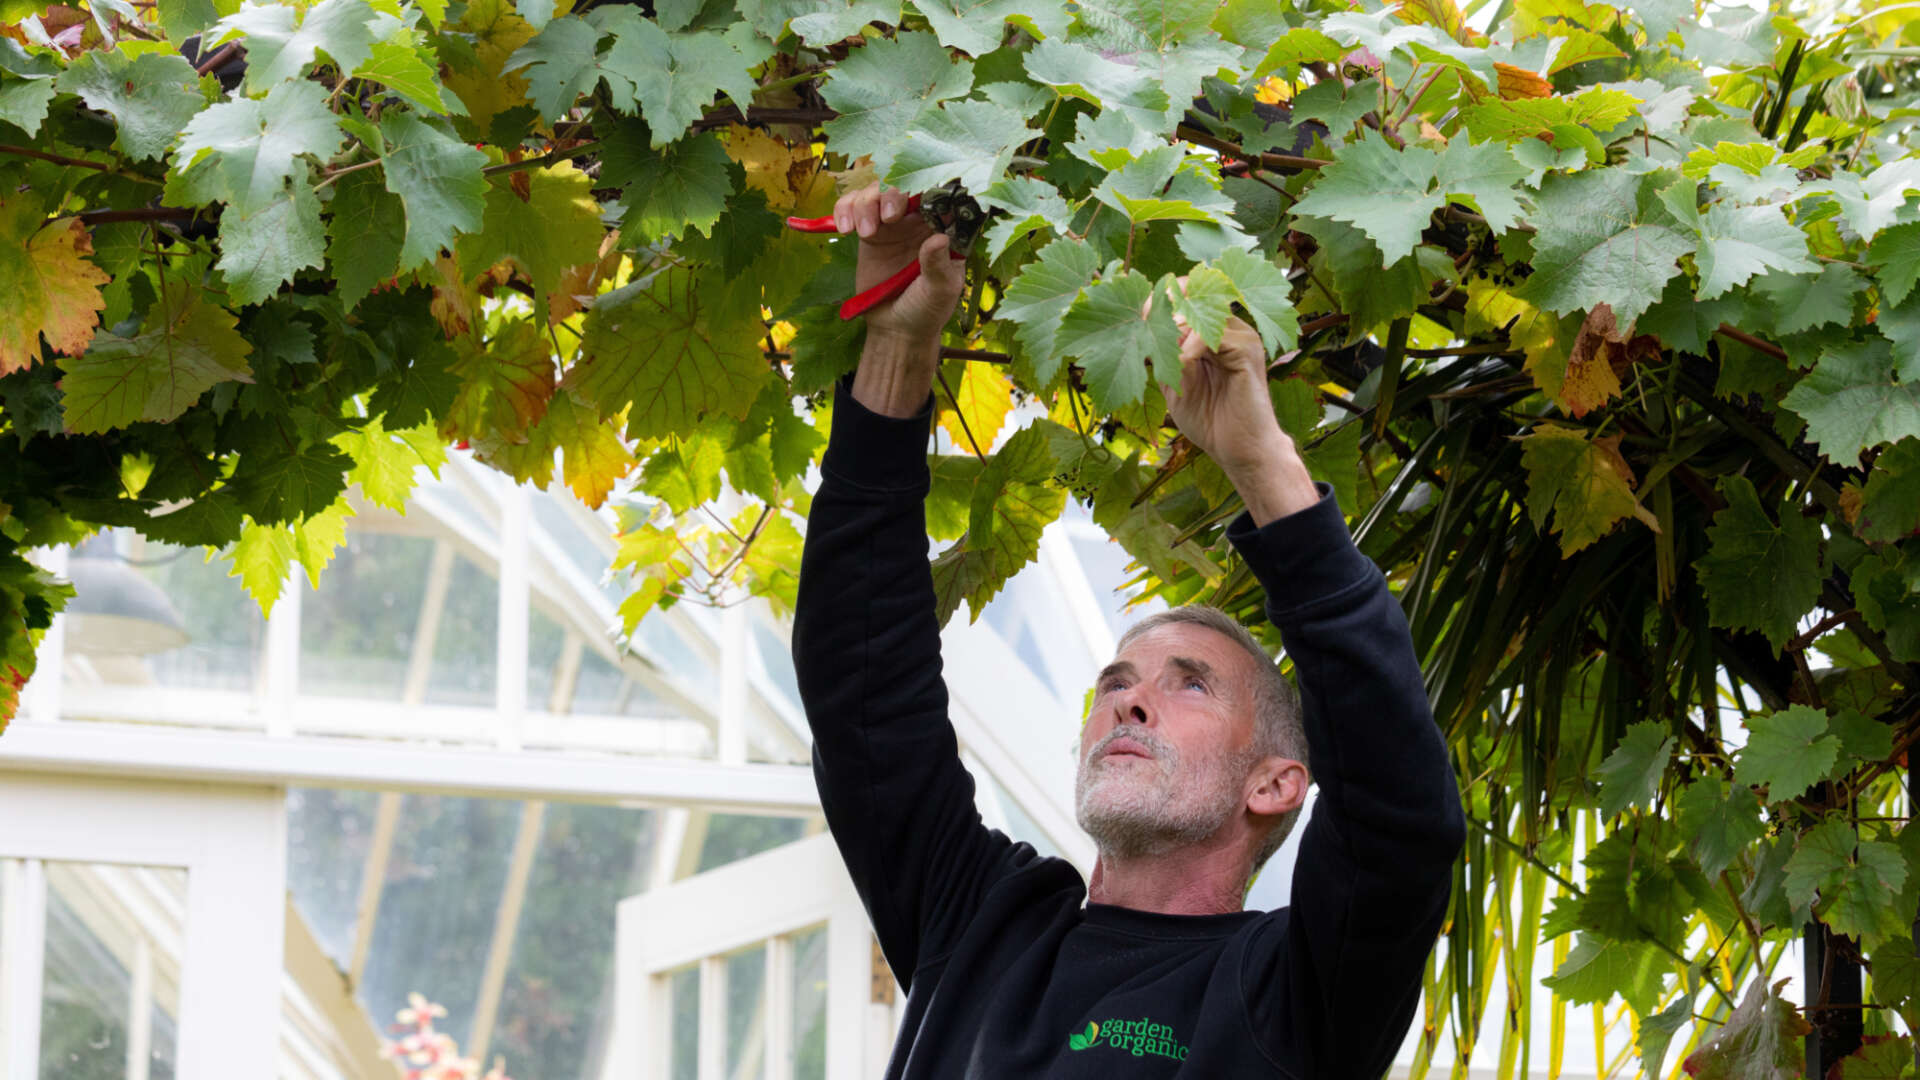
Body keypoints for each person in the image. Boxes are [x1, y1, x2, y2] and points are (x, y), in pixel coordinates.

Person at [790, 183, 1467, 1079]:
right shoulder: (980, 927)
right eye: (1115, 683)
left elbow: (1401, 818)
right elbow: (863, 694)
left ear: (1276, 783)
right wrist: (899, 340)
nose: (1131, 704)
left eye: (1188, 683)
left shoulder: (1293, 993)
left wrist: (1260, 462)